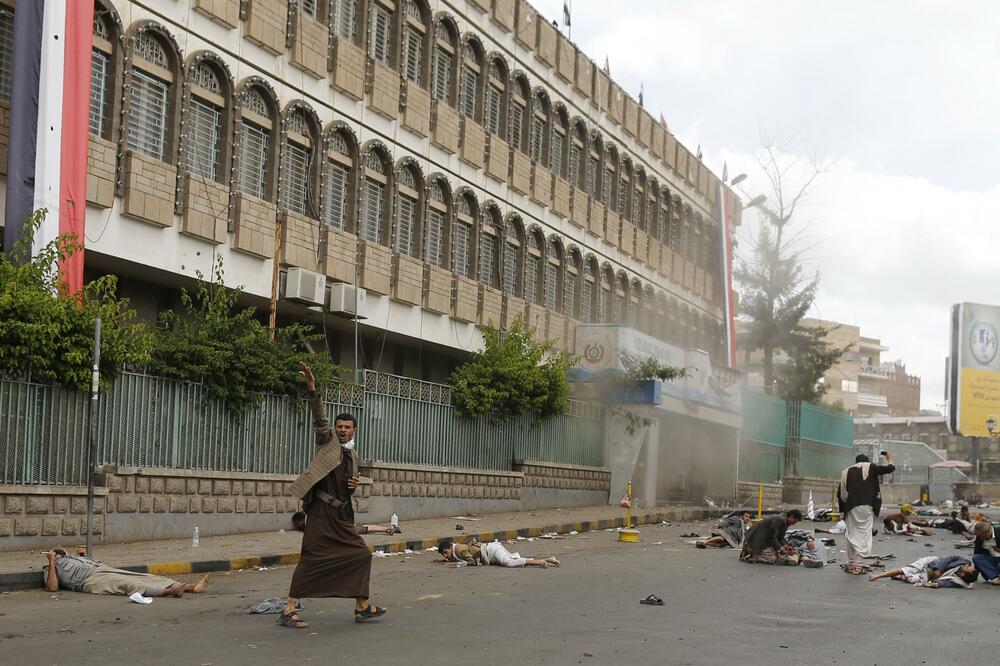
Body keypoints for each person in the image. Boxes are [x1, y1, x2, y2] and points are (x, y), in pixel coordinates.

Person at [280, 362, 386, 629]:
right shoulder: (327, 442)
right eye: (339, 426)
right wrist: (312, 389)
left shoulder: (354, 456)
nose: (342, 430)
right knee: (311, 558)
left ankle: (362, 606)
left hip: (339, 516)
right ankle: (288, 609)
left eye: (347, 427)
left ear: (354, 430)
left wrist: (353, 485)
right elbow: (319, 419)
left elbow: (346, 486)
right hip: (320, 513)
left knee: (361, 554)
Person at [43, 546, 208, 597]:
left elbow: (90, 562)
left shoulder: (73, 558)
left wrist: (82, 555)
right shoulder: (52, 567)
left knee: (145, 576)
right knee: (127, 584)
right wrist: (51, 561)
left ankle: (189, 587)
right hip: (88, 581)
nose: (59, 553)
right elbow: (53, 587)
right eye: (56, 553)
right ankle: (168, 591)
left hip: (101, 569)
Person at [838, 453, 895, 574]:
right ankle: (858, 566)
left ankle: (851, 563)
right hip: (866, 506)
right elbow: (890, 469)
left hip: (851, 507)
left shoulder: (845, 472)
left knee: (851, 535)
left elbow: (842, 494)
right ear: (867, 461)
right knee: (863, 535)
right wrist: (889, 457)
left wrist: (843, 510)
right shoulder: (871, 467)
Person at [867, 554, 978, 588]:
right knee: (903, 570)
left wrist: (936, 584)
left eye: (968, 568)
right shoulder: (964, 561)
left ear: (963, 574)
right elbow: (951, 558)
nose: (968, 565)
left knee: (915, 579)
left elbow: (945, 583)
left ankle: (900, 577)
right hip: (931, 563)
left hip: (929, 575)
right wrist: (939, 568)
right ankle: (877, 576)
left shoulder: (958, 581)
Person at [436, 539, 560, 568]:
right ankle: (549, 559)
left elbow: (471, 561)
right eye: (444, 555)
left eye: (446, 553)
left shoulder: (458, 550)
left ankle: (540, 562)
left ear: (450, 548)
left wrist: (456, 565)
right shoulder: (456, 550)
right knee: (515, 560)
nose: (446, 556)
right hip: (491, 552)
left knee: (509, 563)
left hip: (492, 551)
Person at [291, 512, 400, 536]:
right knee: (362, 528)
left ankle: (386, 529)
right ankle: (386, 529)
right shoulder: (312, 517)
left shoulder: (309, 521)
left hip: (340, 526)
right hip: (340, 523)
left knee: (362, 529)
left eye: (296, 523)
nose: (297, 526)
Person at [971, 521, 1000, 585]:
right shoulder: (979, 538)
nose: (980, 537)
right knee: (977, 558)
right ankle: (995, 577)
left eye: (981, 535)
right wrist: (975, 574)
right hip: (993, 559)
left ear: (988, 532)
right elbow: (977, 553)